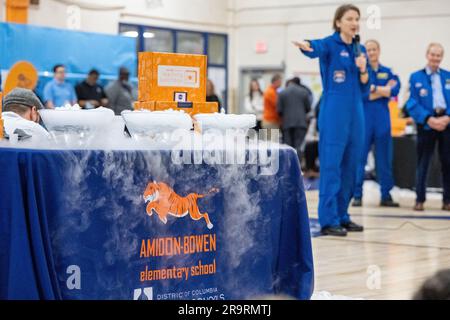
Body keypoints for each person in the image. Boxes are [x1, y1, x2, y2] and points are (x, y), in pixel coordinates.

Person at [293, 4, 370, 236]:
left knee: (352, 166)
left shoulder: (360, 50)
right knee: (332, 165)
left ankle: (343, 215)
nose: (354, 22)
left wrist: (364, 69)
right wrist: (306, 46)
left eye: (357, 19)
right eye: (349, 18)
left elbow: (365, 89)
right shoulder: (330, 43)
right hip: (335, 109)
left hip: (356, 111)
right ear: (338, 22)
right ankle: (328, 219)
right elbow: (314, 47)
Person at [353, 40, 402, 208]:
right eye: (368, 50)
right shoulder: (361, 72)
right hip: (364, 120)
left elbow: (395, 90)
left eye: (374, 49)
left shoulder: (387, 72)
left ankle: (386, 195)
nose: (371, 53)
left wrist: (374, 90)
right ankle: (357, 195)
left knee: (384, 160)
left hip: (382, 120)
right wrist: (382, 90)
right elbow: (362, 94)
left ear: (379, 50)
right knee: (360, 159)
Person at [406, 43, 450, 212]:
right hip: (426, 124)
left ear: (442, 57)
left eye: (439, 55)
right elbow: (412, 102)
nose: (435, 58)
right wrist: (428, 119)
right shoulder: (416, 77)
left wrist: (447, 118)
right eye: (433, 54)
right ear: (427, 55)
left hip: (446, 123)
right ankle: (419, 200)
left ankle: (447, 200)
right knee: (423, 163)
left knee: (447, 164)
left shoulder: (448, 76)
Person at [277, 77, 312, 162]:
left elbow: (279, 110)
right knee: (298, 146)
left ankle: (287, 168)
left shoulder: (282, 93)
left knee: (288, 148)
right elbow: (308, 108)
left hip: (287, 124)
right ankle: (298, 169)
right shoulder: (304, 92)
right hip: (301, 123)